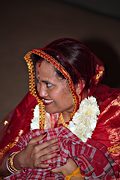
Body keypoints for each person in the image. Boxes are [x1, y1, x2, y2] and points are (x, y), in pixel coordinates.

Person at [0, 38, 120, 179]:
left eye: (48, 85)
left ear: (78, 85)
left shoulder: (111, 120)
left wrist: (72, 173)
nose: (40, 92)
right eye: (38, 82)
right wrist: (20, 161)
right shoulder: (36, 105)